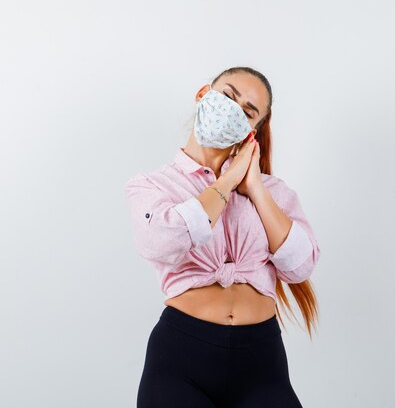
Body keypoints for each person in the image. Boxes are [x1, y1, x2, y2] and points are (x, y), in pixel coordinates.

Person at [124, 66, 321, 408]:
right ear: (204, 94)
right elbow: (160, 241)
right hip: (181, 357)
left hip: (261, 360)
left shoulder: (274, 192)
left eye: (248, 111)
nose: (234, 109)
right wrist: (227, 183)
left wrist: (256, 188)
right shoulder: (152, 185)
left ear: (253, 131)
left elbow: (301, 265)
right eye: (229, 96)